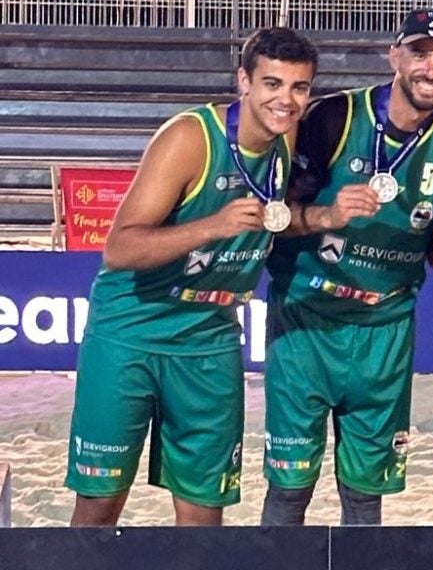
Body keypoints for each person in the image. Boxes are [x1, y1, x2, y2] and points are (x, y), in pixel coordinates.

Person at [65, 27, 318, 526]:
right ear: (243, 81)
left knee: (205, 513)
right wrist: (213, 226)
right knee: (99, 504)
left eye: (299, 87)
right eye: (272, 84)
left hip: (210, 340)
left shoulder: (285, 134)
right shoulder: (188, 138)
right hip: (131, 335)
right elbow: (119, 248)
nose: (285, 100)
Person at [260, 9, 433, 526]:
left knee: (364, 496)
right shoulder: (331, 118)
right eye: (420, 54)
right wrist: (325, 215)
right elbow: (272, 218)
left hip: (384, 332)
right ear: (394, 56)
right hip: (307, 323)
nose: (431, 69)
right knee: (289, 489)